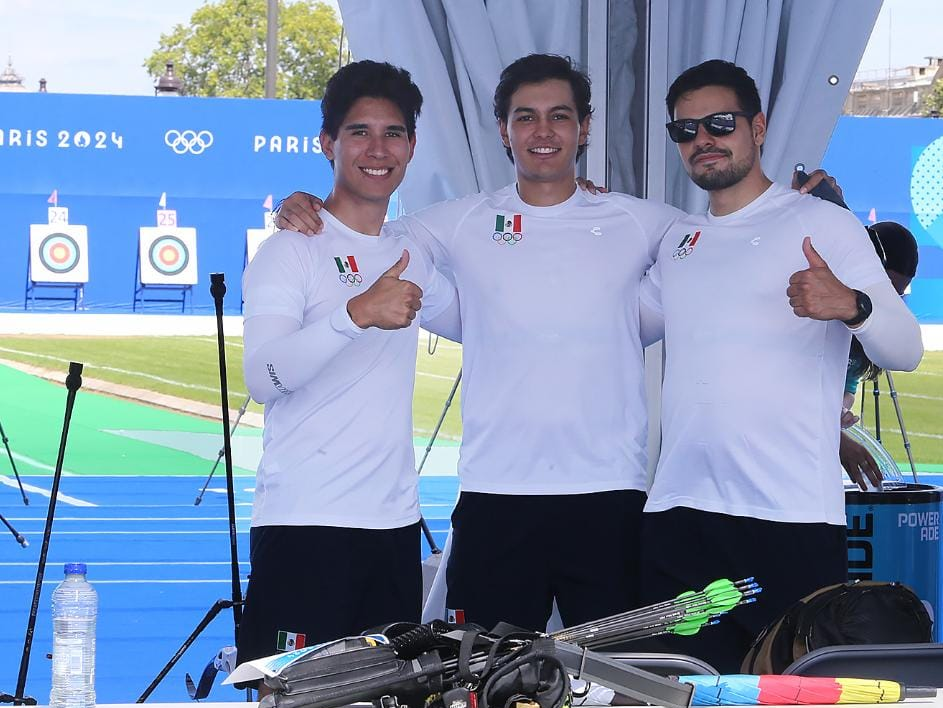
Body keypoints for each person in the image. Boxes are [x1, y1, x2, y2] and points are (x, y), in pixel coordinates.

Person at [274, 55, 838, 635]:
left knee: (621, 688)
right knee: (481, 686)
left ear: (584, 128)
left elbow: (736, 236)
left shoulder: (645, 222)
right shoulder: (455, 222)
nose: (543, 133)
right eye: (526, 117)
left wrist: (800, 207)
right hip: (496, 497)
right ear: (504, 131)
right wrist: (302, 201)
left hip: (609, 499)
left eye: (559, 117)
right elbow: (363, 229)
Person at [635, 59, 923, 672]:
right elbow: (615, 329)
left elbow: (905, 348)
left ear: (757, 127)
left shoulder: (822, 224)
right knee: (681, 698)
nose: (702, 140)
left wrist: (852, 305)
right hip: (680, 516)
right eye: (685, 131)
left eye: (719, 123)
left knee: (788, 703)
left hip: (788, 518)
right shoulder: (681, 241)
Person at [237, 60, 459, 687]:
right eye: (359, 133)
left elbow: (493, 316)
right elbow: (264, 376)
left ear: (412, 147)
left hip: (390, 531)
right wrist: (355, 314)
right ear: (328, 144)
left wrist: (572, 196)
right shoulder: (290, 247)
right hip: (305, 524)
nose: (378, 149)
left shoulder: (411, 251)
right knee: (286, 704)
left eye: (394, 133)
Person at [839, 221, 919, 489]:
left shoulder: (873, 327)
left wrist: (839, 409)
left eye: (896, 294)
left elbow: (850, 385)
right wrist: (836, 439)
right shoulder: (816, 303)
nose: (889, 300)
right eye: (884, 287)